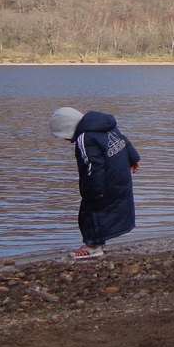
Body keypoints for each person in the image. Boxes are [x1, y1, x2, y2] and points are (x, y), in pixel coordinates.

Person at [49, 106, 141, 260]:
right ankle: (98, 243)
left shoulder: (85, 138)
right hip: (121, 176)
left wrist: (92, 190)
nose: (65, 140)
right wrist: (134, 158)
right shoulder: (105, 125)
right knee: (108, 210)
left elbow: (92, 166)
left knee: (89, 212)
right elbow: (123, 140)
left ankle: (92, 247)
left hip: (105, 181)